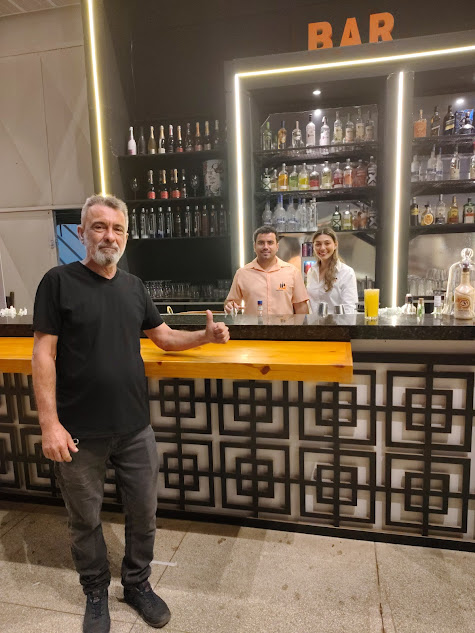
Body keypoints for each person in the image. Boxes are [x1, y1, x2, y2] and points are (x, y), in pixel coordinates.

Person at [31, 194, 229, 633]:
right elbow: (43, 354)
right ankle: (95, 591)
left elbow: (164, 338)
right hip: (78, 430)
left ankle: (137, 584)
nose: (109, 236)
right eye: (99, 226)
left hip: (135, 427)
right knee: (85, 519)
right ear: (82, 233)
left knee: (143, 511)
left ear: (126, 236)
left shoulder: (134, 286)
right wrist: (49, 424)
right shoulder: (58, 282)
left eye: (117, 228)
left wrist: (205, 336)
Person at [224, 225, 308, 315]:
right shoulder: (242, 273)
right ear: (254, 246)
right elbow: (230, 303)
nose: (265, 247)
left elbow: (301, 308)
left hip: (284, 324)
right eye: (261, 243)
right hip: (252, 324)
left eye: (270, 243)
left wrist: (303, 324)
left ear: (277, 246)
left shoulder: (292, 272)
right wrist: (229, 306)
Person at [306, 227, 358, 314]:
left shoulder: (346, 272)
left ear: (335, 245)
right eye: (318, 244)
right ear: (313, 247)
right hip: (314, 322)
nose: (322, 248)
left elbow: (350, 309)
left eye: (327, 243)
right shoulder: (311, 271)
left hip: (337, 322)